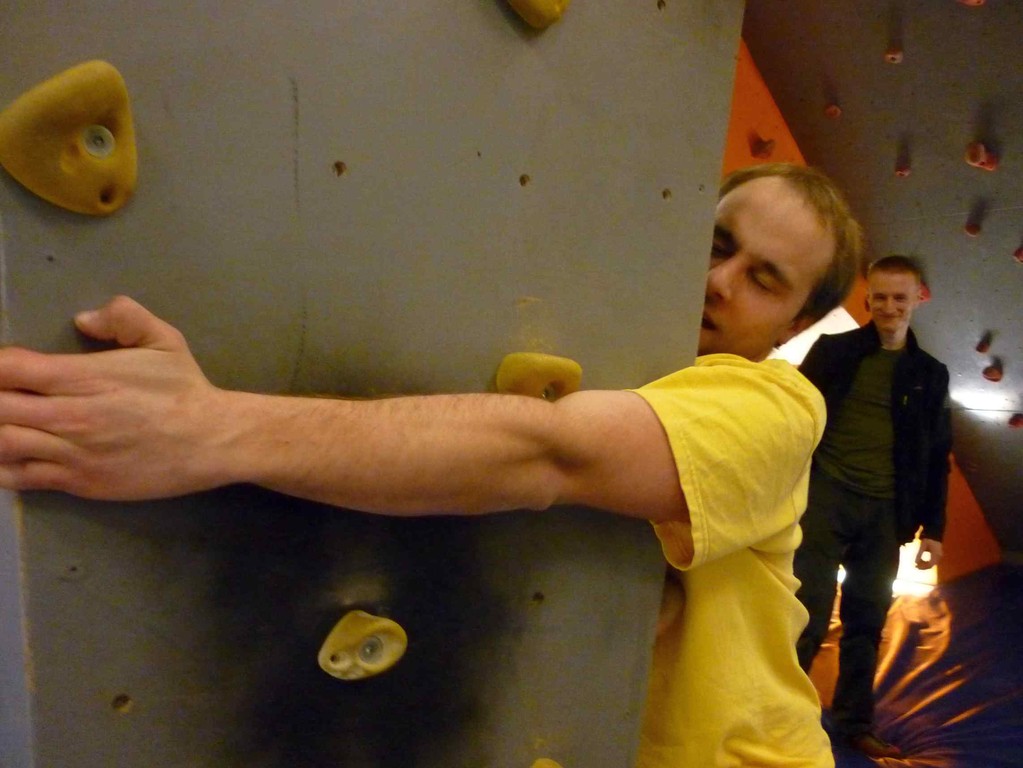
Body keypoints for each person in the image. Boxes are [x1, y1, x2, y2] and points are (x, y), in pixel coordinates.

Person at [0, 162, 862, 767]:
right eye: (717, 243)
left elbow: (547, 452)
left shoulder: (772, 410)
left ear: (790, 328)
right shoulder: (615, 343)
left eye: (763, 279)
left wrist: (207, 429)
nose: (720, 280)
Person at [794, 255, 952, 760]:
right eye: (880, 297)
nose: (888, 307)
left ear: (918, 299)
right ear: (868, 298)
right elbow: (793, 420)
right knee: (805, 614)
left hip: (887, 513)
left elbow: (935, 455)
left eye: (899, 298)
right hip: (826, 498)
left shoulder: (930, 374)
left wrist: (935, 529)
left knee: (866, 622)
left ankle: (854, 722)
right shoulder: (833, 352)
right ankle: (782, 714)